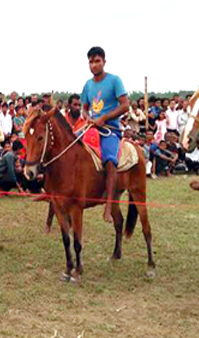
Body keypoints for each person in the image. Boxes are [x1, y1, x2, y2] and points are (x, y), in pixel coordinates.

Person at [80, 47, 129, 223]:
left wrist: (103, 118)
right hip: (91, 127)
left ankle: (108, 206)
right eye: (91, 62)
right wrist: (88, 119)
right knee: (67, 148)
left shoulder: (115, 81)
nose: (94, 65)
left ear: (104, 62)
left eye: (97, 61)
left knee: (109, 161)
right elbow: (84, 109)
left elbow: (125, 106)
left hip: (110, 129)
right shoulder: (87, 84)